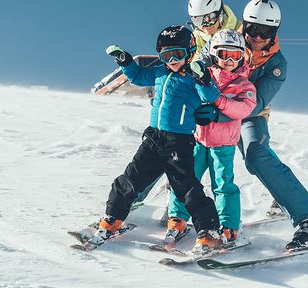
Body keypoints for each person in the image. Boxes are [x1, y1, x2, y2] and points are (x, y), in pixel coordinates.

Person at [200, 0, 308, 250]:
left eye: (264, 32)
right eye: (251, 28)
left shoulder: (277, 64)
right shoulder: (230, 40)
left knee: (256, 155)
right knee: (172, 141)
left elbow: (255, 104)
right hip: (211, 111)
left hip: (248, 115)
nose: (255, 36)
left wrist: (217, 112)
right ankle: (131, 207)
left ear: (273, 32)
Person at [89, 25, 226, 252]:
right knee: (129, 180)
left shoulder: (195, 74)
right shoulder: (160, 72)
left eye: (177, 54)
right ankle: (112, 219)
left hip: (179, 141)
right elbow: (139, 77)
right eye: (166, 55)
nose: (171, 60)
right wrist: (125, 62)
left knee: (187, 189)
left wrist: (202, 78)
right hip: (153, 138)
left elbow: (211, 95)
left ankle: (209, 231)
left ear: (190, 52)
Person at [165, 29, 256, 244]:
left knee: (223, 185)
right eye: (225, 55)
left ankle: (228, 227)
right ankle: (177, 219)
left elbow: (243, 110)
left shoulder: (244, 85)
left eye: (235, 56)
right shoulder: (203, 75)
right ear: (215, 54)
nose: (230, 61)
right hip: (197, 140)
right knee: (185, 180)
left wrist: (219, 104)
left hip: (223, 145)